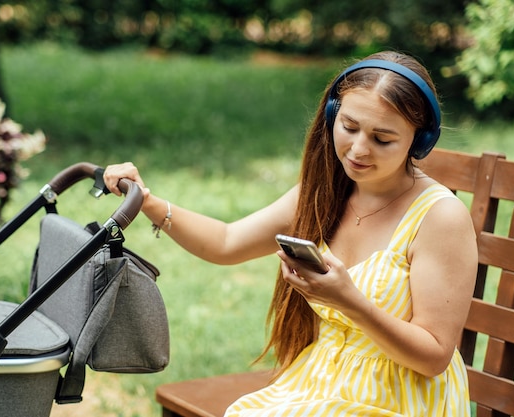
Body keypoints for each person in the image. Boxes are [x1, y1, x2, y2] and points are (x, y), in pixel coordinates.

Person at [103, 51, 478, 416]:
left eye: (382, 139)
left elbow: (434, 357)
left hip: (401, 399)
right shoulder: (324, 193)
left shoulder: (439, 217)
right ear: (332, 114)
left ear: (420, 140)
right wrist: (146, 200)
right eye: (348, 127)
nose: (358, 149)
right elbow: (226, 242)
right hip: (323, 386)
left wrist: (350, 301)